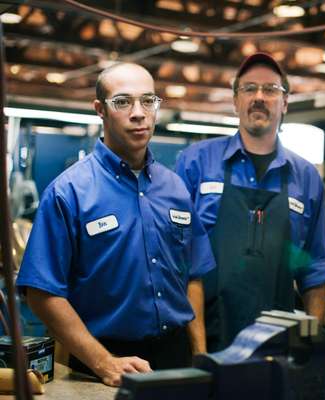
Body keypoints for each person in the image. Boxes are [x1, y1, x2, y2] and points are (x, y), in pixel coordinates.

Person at [16, 63, 215, 386]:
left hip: (175, 359)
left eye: (148, 101)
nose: (139, 113)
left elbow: (192, 275)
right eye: (123, 102)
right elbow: (41, 293)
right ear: (100, 110)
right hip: (102, 363)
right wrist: (105, 363)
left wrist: (199, 354)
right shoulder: (69, 192)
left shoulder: (176, 189)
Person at [176, 52, 325, 352]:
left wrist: (311, 347)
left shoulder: (306, 178)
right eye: (249, 88)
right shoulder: (196, 163)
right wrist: (198, 354)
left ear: (285, 102)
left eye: (271, 89)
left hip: (276, 347)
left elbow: (313, 268)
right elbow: (181, 262)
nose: (259, 97)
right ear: (236, 100)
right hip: (205, 338)